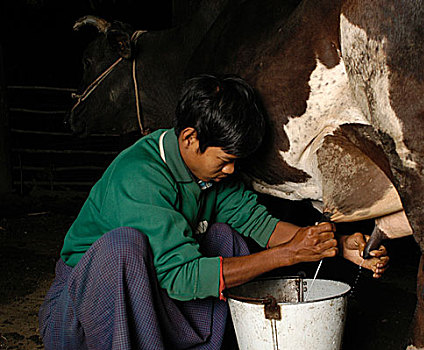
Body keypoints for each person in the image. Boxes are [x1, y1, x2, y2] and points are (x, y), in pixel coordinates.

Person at [39, 74, 389, 349]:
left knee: (224, 238)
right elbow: (182, 278)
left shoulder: (208, 174)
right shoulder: (139, 177)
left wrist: (337, 245)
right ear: (190, 138)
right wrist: (285, 256)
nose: (232, 172)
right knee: (124, 248)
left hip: (149, 301)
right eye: (225, 161)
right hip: (82, 317)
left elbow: (260, 224)